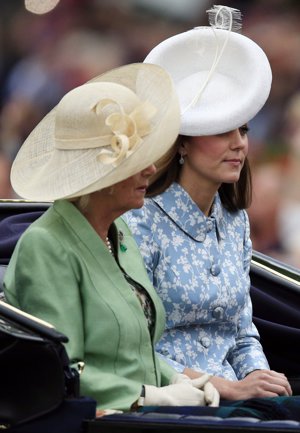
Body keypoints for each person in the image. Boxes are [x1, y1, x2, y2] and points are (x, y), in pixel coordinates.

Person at [3, 63, 220, 412]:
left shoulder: (119, 233)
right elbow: (61, 369)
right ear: (100, 176)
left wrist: (175, 380)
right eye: (135, 160)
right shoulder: (45, 246)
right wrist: (151, 396)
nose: (151, 168)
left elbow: (133, 354)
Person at [124, 5, 292, 401]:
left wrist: (261, 380)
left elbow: (242, 332)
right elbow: (133, 347)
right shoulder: (138, 221)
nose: (239, 144)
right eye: (222, 131)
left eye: (244, 129)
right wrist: (225, 388)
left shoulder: (235, 220)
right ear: (184, 142)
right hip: (174, 401)